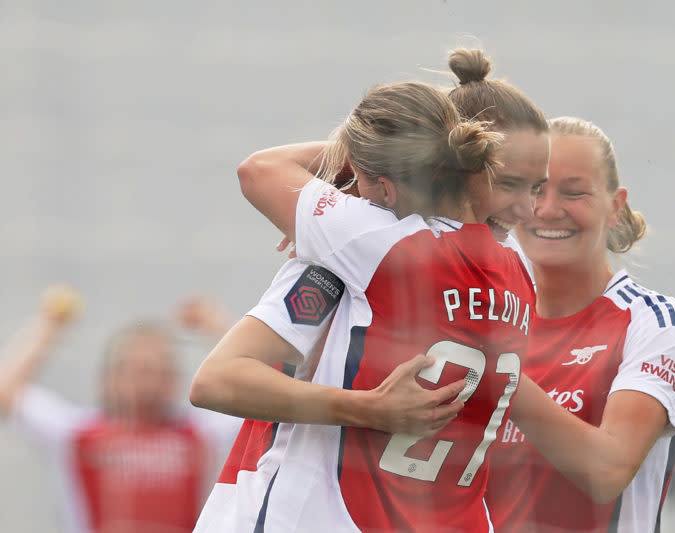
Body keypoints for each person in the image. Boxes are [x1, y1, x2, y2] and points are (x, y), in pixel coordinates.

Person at [190, 78, 550, 532]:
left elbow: (217, 379)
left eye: (536, 187)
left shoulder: (359, 246)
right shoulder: (520, 271)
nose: (527, 210)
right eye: (511, 182)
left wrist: (347, 179)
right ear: (466, 164)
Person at [484, 116, 675, 532]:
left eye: (574, 192)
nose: (547, 210)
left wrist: (493, 370)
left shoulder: (658, 325)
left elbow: (607, 471)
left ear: (615, 206)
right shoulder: (488, 317)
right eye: (534, 190)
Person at [0, 286, 239, 533]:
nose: (150, 383)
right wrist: (49, 326)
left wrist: (215, 324)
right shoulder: (79, 433)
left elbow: (256, 385)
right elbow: (6, 392)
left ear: (175, 381)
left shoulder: (202, 434)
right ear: (110, 379)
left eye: (161, 372)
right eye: (140, 371)